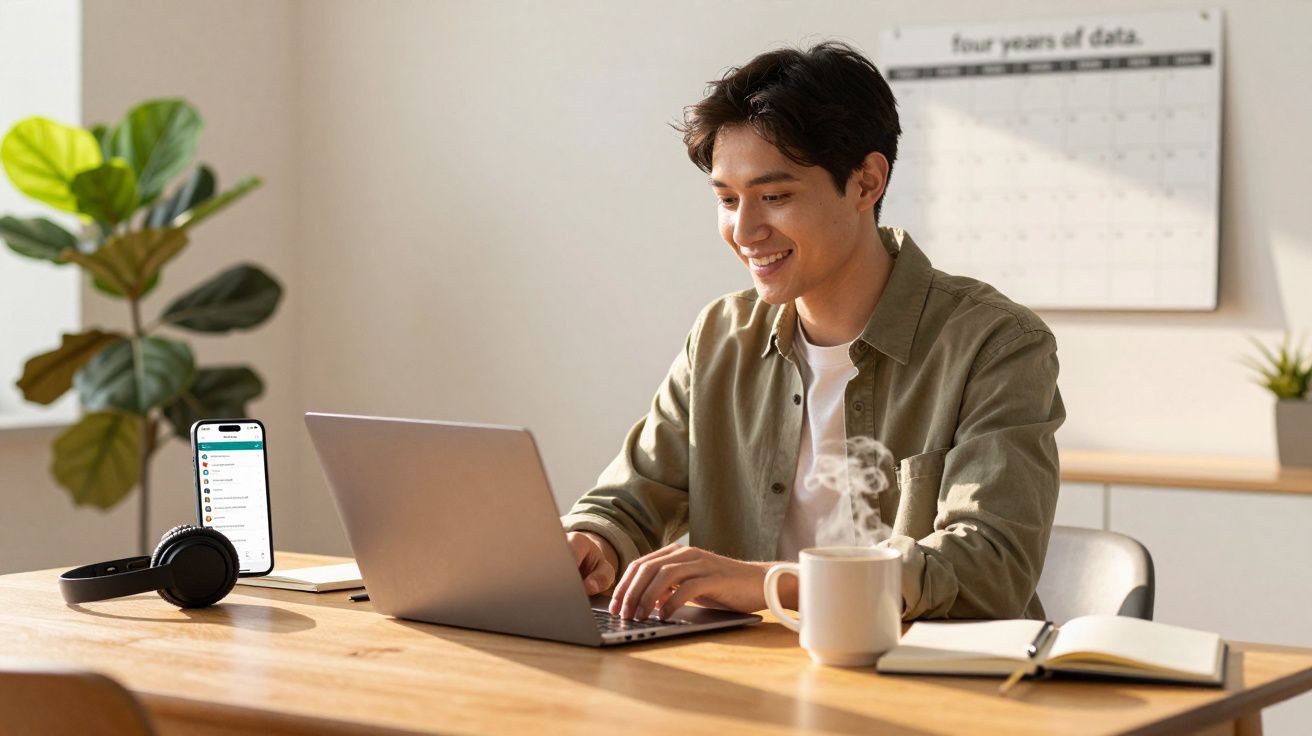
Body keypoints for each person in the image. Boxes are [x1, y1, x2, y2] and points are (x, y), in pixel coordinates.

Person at [560, 41, 1064, 622]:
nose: (744, 230)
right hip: (750, 668)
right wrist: (590, 541)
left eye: (774, 196)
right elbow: (632, 499)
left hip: (928, 669)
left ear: (866, 183)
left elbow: (989, 567)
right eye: (727, 199)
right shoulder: (722, 335)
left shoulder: (996, 344)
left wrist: (769, 584)